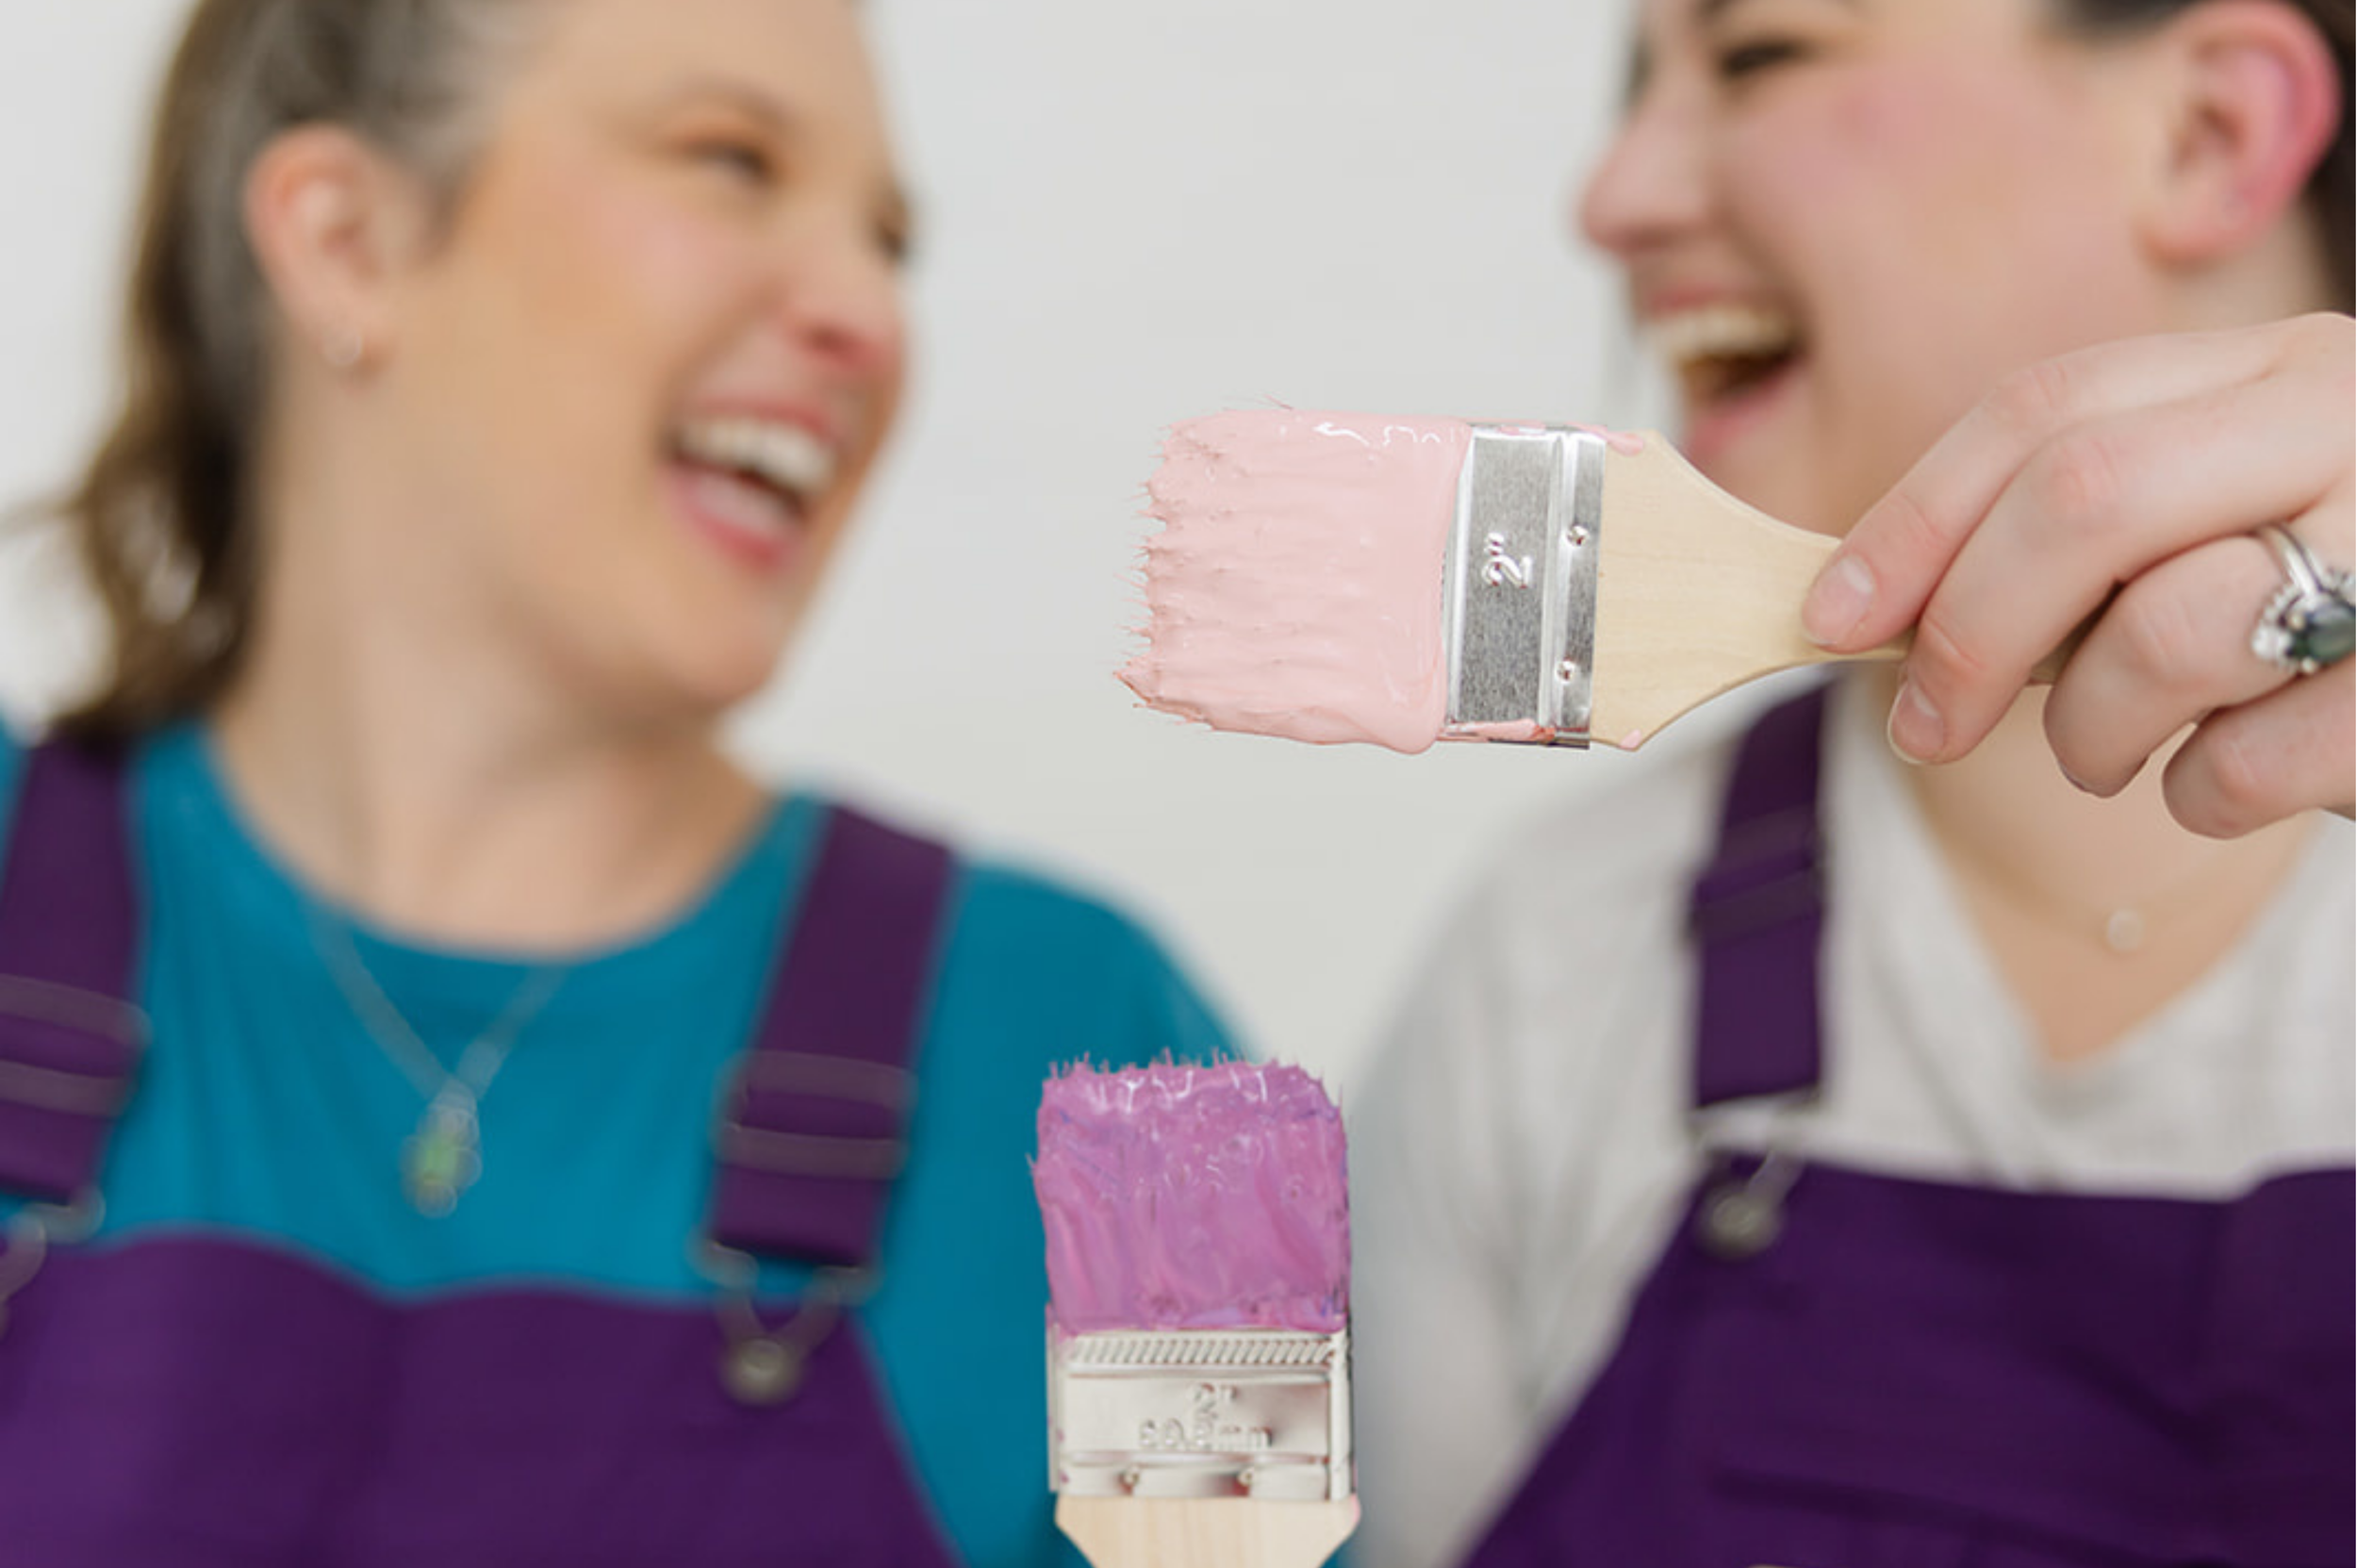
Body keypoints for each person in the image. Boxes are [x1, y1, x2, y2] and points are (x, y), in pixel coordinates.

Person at [0, 2, 1231, 1563]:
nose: (865, 310)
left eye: (889, 242)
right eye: (730, 160)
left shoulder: (1148, 1092)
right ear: (347, 239)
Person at [1351, 1, 2353, 1564]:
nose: (1608, 197)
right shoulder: (1548, 960)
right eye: (1635, 87)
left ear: (2208, 130)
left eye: (1758, 56)